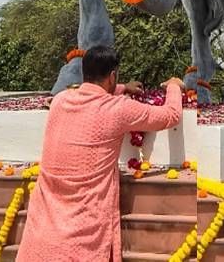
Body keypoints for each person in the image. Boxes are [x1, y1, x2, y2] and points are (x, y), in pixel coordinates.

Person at [17, 46, 184, 262]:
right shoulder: (119, 109)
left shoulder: (59, 101)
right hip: (82, 235)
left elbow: (87, 93)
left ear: (84, 72)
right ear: (112, 75)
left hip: (42, 236)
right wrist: (173, 87)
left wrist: (121, 88)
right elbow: (170, 116)